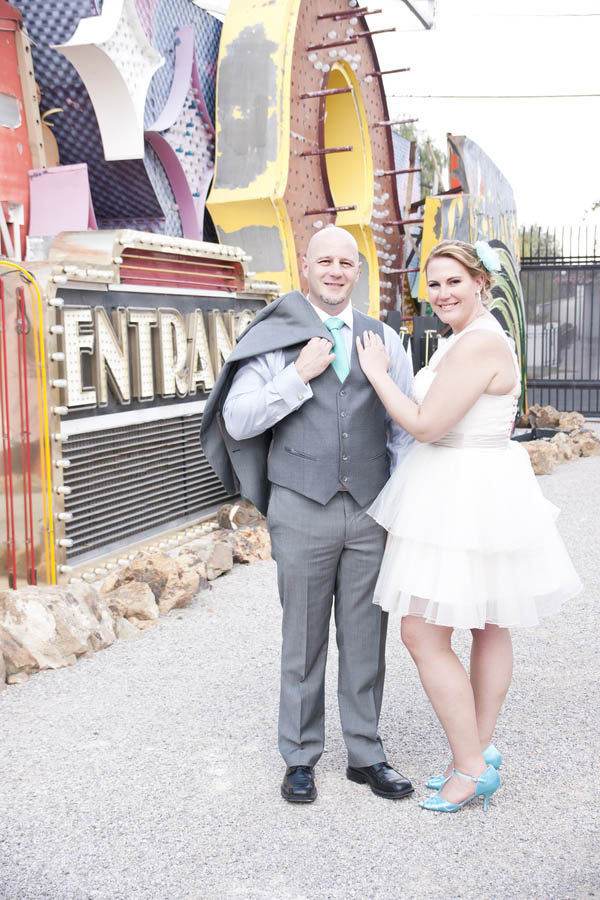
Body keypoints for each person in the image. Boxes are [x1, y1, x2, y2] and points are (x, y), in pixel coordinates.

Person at [355, 239, 583, 813]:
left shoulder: (478, 342)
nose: (442, 293)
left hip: (462, 490)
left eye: (454, 281)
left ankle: (471, 767)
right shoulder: (467, 338)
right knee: (487, 622)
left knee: (420, 632)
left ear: (481, 282)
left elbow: (426, 425)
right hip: (471, 487)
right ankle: (477, 750)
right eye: (433, 284)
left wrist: (378, 374)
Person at [201, 225, 415, 803]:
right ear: (306, 266)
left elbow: (403, 430)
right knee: (302, 638)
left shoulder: (383, 339)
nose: (336, 271)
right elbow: (238, 419)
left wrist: (398, 511)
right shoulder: (275, 337)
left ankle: (366, 754)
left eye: (346, 262)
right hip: (300, 507)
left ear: (358, 270)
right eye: (325, 261)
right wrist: (297, 375)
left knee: (366, 637)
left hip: (370, 509)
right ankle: (299, 756)